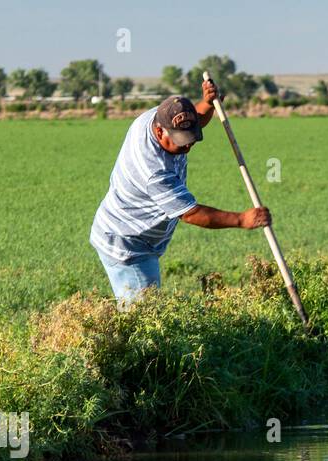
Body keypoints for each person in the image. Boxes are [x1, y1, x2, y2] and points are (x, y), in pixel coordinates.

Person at [90, 78, 272, 306]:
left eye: (190, 139)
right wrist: (241, 219)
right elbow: (190, 213)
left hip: (132, 235)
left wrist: (206, 104)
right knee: (144, 315)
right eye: (180, 141)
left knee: (143, 313)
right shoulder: (154, 171)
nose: (187, 146)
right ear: (159, 131)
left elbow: (193, 119)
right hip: (128, 243)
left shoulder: (159, 115)